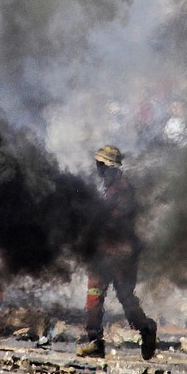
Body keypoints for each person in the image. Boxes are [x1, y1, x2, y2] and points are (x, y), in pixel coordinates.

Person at [77, 145, 157, 360]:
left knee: (125, 298)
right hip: (103, 253)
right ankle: (94, 342)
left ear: (111, 167)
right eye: (98, 165)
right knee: (93, 297)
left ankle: (146, 329)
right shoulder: (108, 188)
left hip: (121, 254)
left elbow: (115, 221)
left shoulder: (122, 189)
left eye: (101, 165)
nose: (98, 169)